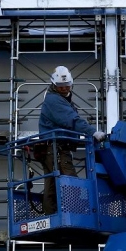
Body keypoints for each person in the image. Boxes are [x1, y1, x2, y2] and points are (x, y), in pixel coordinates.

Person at [38, 66, 106, 215]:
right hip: (55, 148)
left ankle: (51, 215)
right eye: (61, 86)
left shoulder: (60, 100)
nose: (64, 88)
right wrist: (93, 132)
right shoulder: (54, 101)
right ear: (54, 86)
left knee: (52, 183)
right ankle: (77, 214)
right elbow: (72, 121)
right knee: (70, 180)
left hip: (53, 148)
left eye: (67, 85)